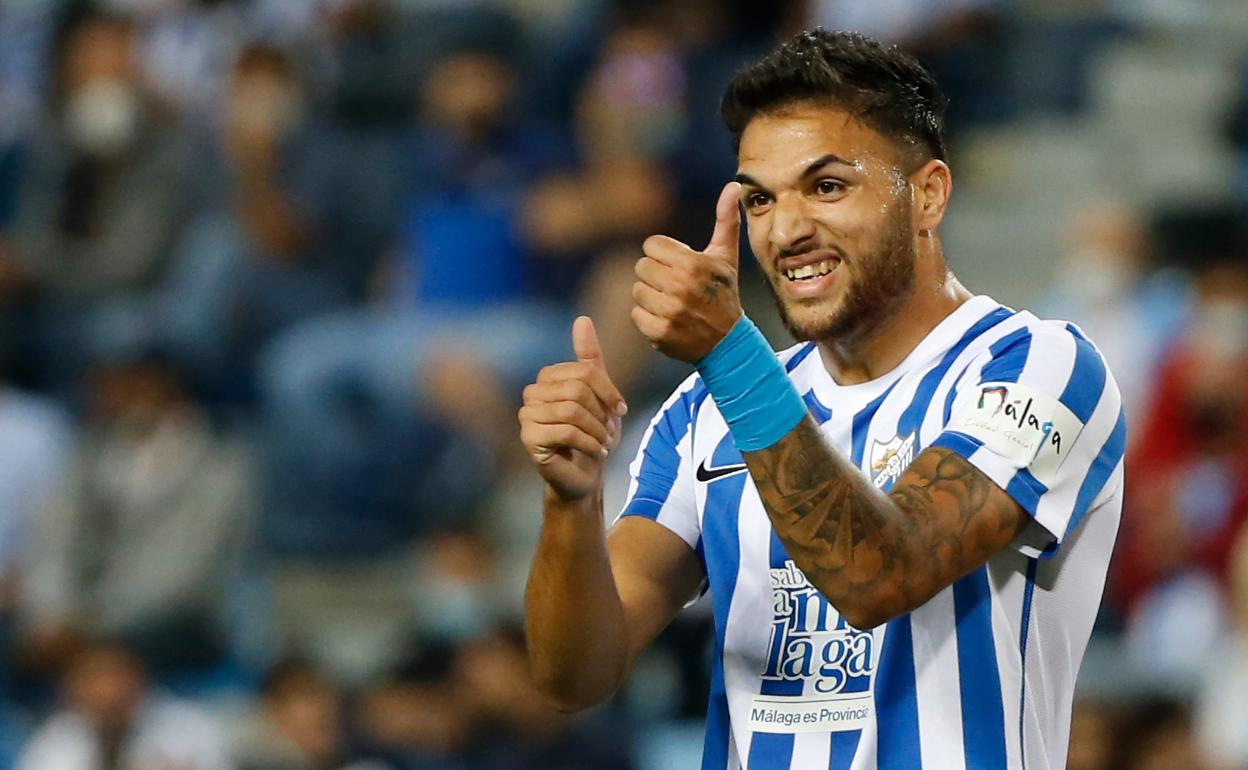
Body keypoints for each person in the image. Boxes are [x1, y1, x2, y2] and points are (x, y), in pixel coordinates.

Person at [519, 28, 1126, 770]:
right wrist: (570, 501)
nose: (788, 230)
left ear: (928, 193)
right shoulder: (701, 415)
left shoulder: (1040, 369)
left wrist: (730, 355)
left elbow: (882, 575)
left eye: (827, 186)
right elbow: (572, 677)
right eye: (761, 200)